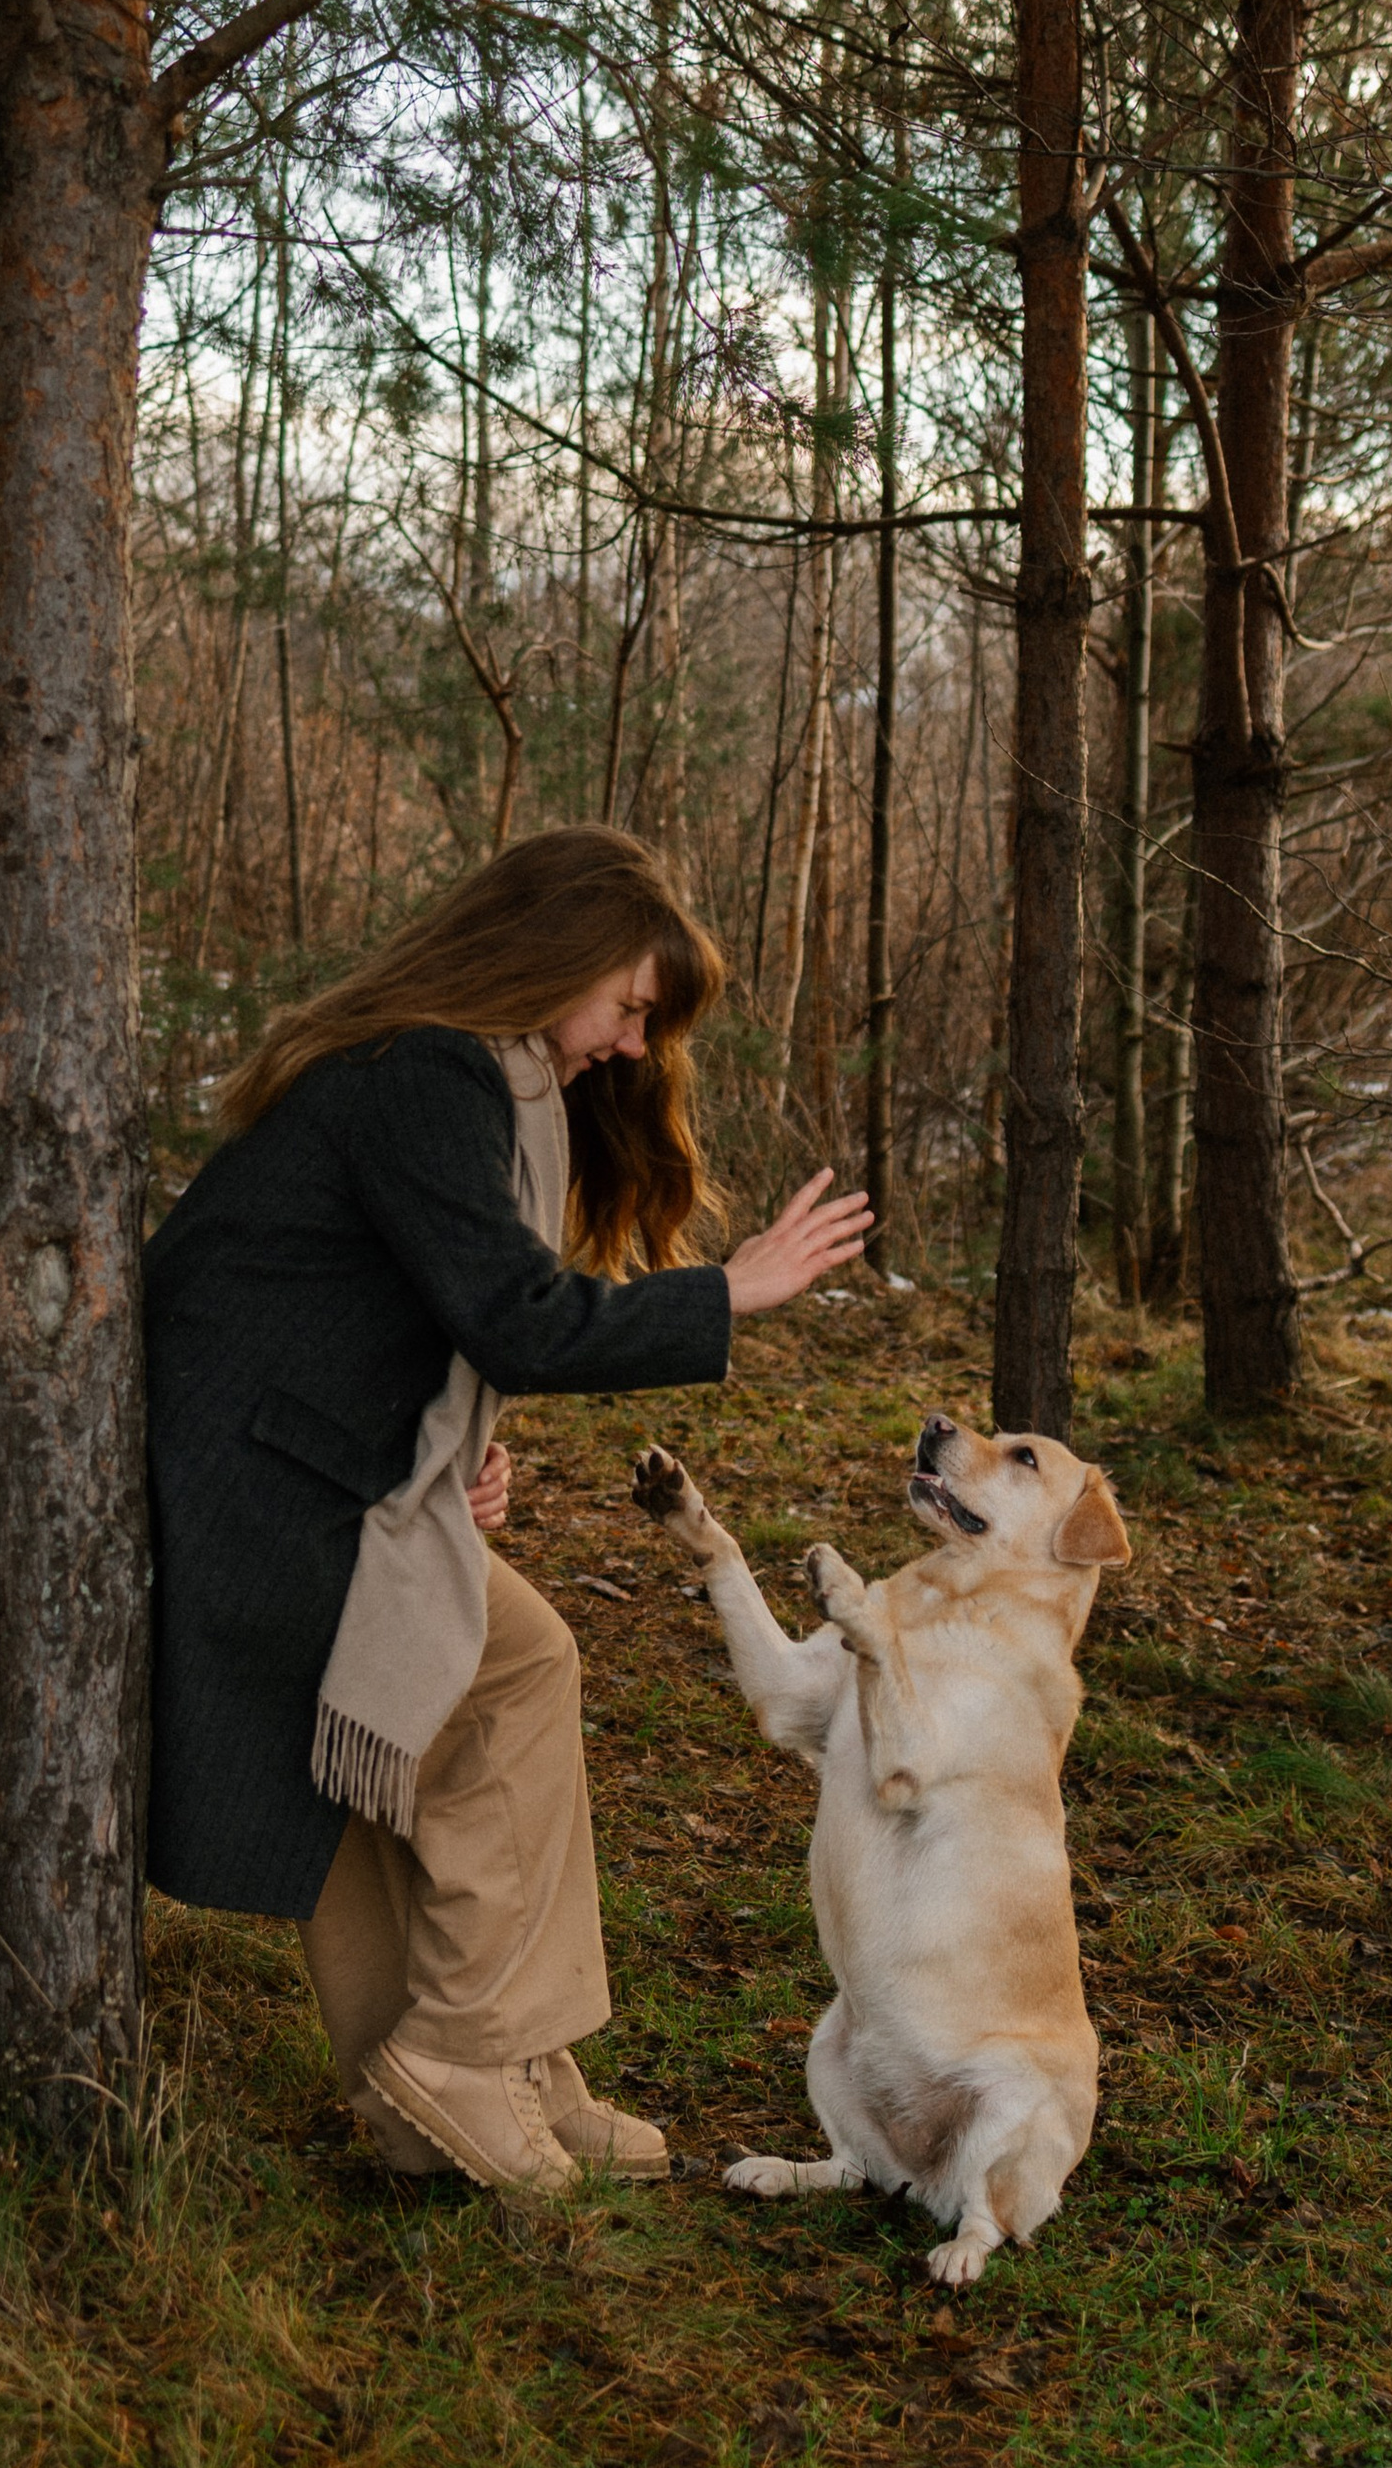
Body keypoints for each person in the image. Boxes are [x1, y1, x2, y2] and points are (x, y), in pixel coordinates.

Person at [143, 824, 872, 2193]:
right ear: (562, 954)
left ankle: (460, 2069)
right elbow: (512, 1318)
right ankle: (473, 2055)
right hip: (249, 1491)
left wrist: (441, 1445)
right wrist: (734, 1289)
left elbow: (402, 1305)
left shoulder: (453, 1071)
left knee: (443, 1704)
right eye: (631, 1009)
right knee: (513, 1670)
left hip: (293, 1464)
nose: (631, 1048)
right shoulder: (427, 1070)